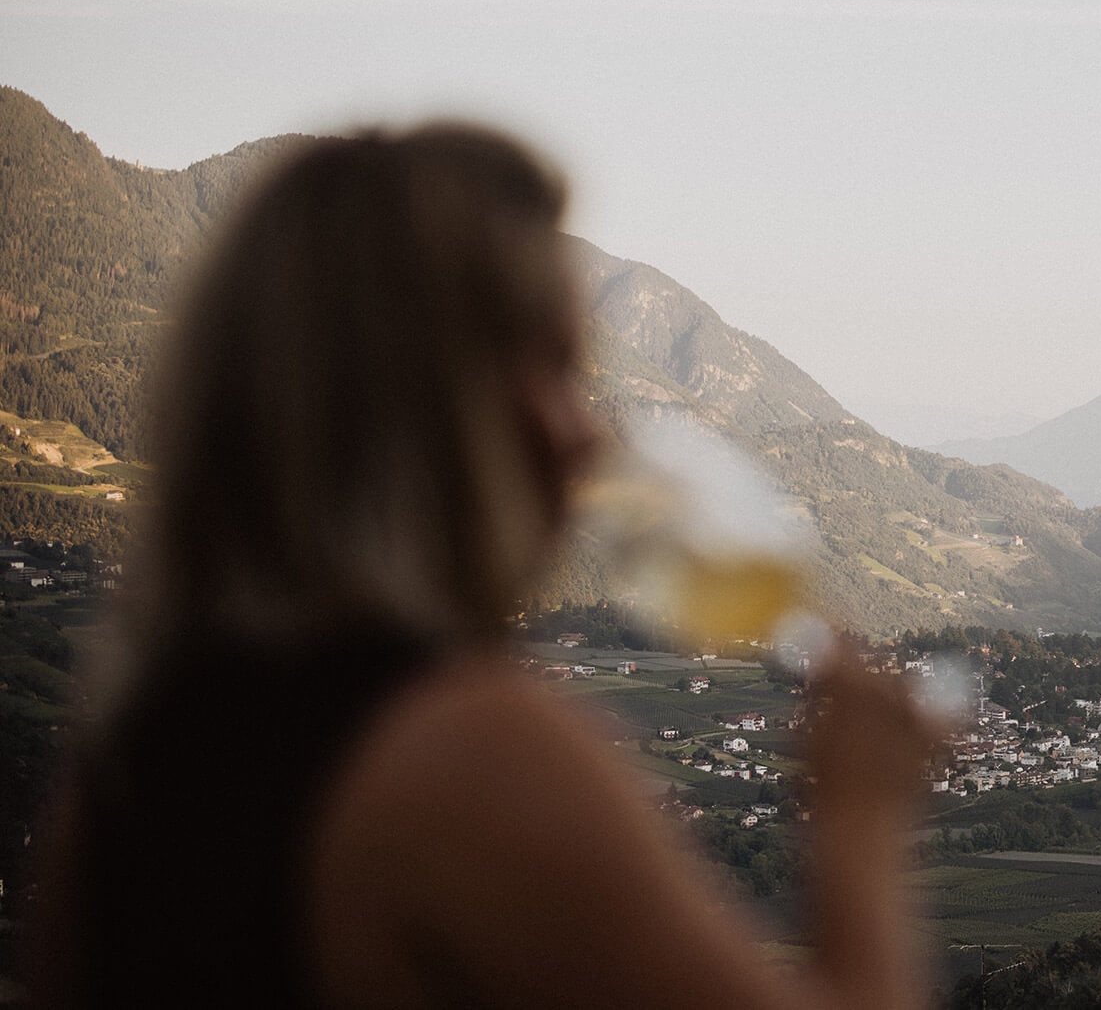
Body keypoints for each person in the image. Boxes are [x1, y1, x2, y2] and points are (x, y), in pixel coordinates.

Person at [32, 125, 938, 1007]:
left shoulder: (126, 772)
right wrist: (859, 815)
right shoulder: (472, 751)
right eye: (550, 369)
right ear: (423, 401)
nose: (586, 434)